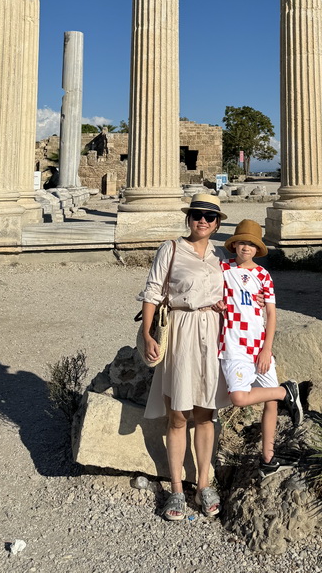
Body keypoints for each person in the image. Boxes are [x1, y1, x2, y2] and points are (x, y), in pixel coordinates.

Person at [138, 193, 230, 522]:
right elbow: (152, 291)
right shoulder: (171, 248)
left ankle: (203, 483)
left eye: (209, 216)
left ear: (218, 223)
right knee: (178, 414)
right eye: (196, 215)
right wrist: (149, 334)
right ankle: (176, 488)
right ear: (188, 218)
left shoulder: (222, 257)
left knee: (206, 413)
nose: (202, 220)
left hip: (213, 334)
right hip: (181, 330)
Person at [218, 220, 303, 478]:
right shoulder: (221, 268)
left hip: (259, 346)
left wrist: (267, 349)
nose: (246, 247)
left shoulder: (264, 276)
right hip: (233, 346)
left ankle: (268, 458)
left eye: (252, 244)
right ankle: (286, 391)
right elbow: (208, 291)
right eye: (242, 242)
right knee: (239, 398)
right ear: (234, 244)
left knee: (271, 403)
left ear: (258, 249)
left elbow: (271, 313)